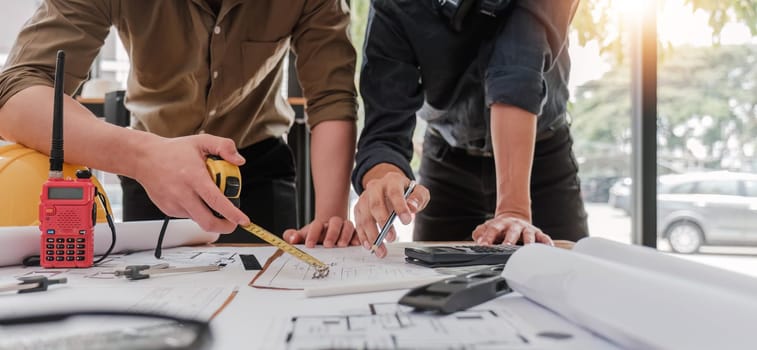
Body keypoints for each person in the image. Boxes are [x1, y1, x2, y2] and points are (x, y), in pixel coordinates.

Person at [0, 0, 358, 245]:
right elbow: (17, 92)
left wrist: (331, 220)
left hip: (258, 166)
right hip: (150, 167)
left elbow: (331, 97)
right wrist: (142, 157)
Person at [352, 0, 589, 257]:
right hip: (447, 159)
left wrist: (514, 211)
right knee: (431, 283)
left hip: (540, 157)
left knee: (567, 281)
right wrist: (385, 177)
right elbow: (384, 128)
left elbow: (517, 70)